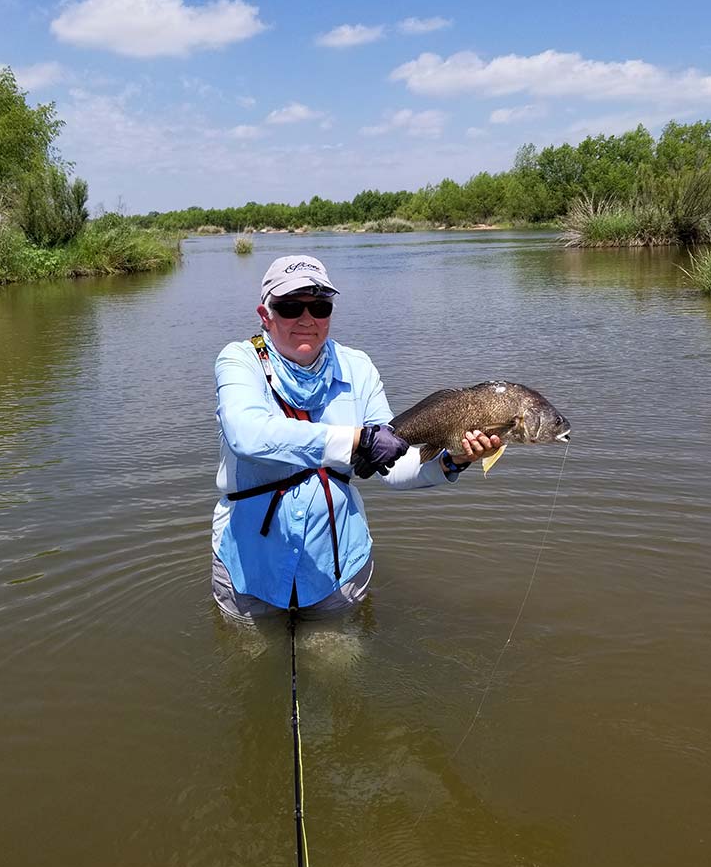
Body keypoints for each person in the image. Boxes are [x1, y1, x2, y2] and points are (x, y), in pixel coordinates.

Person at [212, 254, 499, 623]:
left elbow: (393, 468)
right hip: (248, 566)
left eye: (319, 306)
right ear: (265, 315)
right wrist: (357, 441)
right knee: (250, 661)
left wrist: (453, 459)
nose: (306, 319)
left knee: (339, 667)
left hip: (338, 566)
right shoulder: (239, 360)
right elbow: (247, 434)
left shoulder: (358, 368)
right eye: (289, 307)